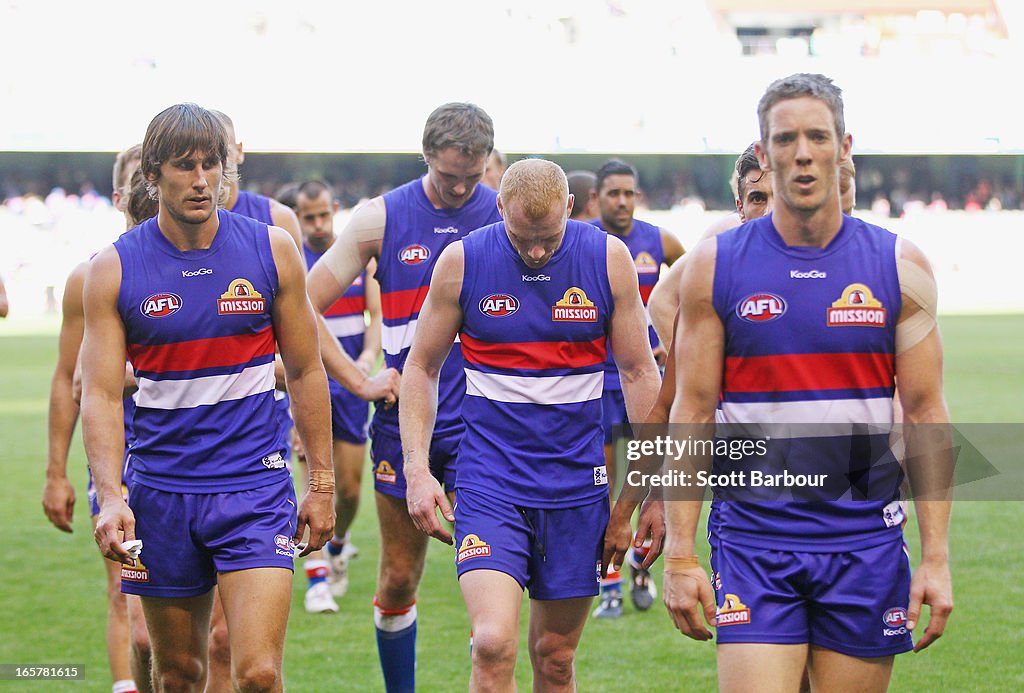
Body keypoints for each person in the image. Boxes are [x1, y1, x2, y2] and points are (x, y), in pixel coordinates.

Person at [661, 73, 953, 692]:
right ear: (762, 155)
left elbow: (927, 417)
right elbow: (692, 412)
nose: (801, 153)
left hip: (865, 546)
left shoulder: (901, 266)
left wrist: (936, 558)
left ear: (844, 147)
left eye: (817, 136)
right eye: (785, 138)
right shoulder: (714, 269)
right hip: (754, 542)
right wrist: (681, 555)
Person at [81, 103, 335, 693]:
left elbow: (303, 368)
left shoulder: (272, 250)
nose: (201, 180)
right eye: (184, 166)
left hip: (255, 487)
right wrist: (112, 497)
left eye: (210, 165)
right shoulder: (113, 270)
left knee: (259, 673)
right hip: (161, 493)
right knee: (177, 673)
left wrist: (319, 484)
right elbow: (97, 393)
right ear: (152, 175)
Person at [401, 158, 660, 691]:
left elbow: (638, 373)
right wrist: (417, 469)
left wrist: (656, 492)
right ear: (499, 208)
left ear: (570, 208)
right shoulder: (462, 262)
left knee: (555, 657)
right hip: (489, 481)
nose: (538, 251)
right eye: (523, 237)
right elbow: (421, 367)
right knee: (492, 645)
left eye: (548, 238)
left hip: (576, 489)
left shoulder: (608, 259)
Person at [305, 102, 501, 692]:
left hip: (485, 425)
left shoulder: (505, 213)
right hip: (401, 424)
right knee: (396, 577)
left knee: (492, 580)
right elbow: (300, 304)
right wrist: (358, 381)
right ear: (426, 157)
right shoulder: (380, 218)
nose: (462, 188)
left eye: (472, 175)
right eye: (449, 177)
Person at [42, 144, 152, 693]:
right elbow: (69, 378)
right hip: (120, 461)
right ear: (118, 194)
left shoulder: (208, 268)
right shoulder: (89, 277)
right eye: (138, 179)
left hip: (200, 460)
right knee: (134, 614)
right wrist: (56, 471)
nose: (149, 189)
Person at [587, 158, 684, 618]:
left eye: (629, 192)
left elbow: (696, 287)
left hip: (645, 379)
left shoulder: (658, 241)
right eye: (613, 193)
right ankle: (608, 582)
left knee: (646, 477)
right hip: (595, 383)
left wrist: (671, 340)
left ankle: (641, 568)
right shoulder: (583, 240)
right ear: (597, 198)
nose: (621, 201)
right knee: (603, 483)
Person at [295, 179, 382, 609]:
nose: (316, 224)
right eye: (307, 217)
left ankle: (338, 544)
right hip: (308, 383)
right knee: (311, 476)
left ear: (335, 209)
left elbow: (376, 315)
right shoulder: (293, 261)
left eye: (322, 215)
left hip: (351, 384)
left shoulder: (355, 257)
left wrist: (367, 356)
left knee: (348, 489)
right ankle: (316, 580)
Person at [648, 142, 773, 345]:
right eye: (758, 199)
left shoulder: (827, 247)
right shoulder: (727, 235)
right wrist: (691, 367)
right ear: (740, 208)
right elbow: (662, 300)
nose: (770, 212)